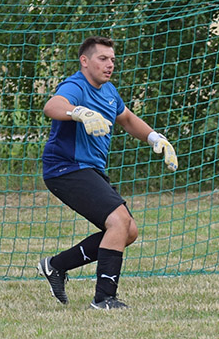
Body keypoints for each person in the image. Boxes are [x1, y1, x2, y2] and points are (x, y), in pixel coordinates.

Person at [38, 36, 178, 310]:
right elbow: (51, 106)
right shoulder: (76, 85)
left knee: (128, 230)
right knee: (118, 220)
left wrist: (155, 138)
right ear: (85, 61)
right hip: (65, 168)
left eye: (112, 59)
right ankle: (104, 299)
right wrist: (79, 112)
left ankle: (57, 265)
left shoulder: (110, 91)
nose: (110, 64)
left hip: (90, 170)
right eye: (103, 58)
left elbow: (126, 118)